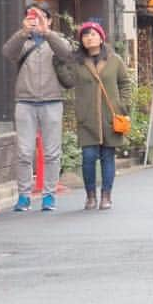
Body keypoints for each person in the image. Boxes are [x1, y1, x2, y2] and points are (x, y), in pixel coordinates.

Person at [2, 3, 73, 212]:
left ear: (50, 19)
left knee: (52, 152)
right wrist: (24, 32)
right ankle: (24, 195)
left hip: (52, 100)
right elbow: (8, 53)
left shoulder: (55, 40)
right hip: (24, 101)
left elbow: (67, 53)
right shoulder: (23, 41)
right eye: (31, 16)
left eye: (41, 16)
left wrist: (47, 32)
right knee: (24, 151)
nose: (36, 20)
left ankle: (49, 195)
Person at [57, 21, 133, 210]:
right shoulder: (77, 62)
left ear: (101, 37)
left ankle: (106, 195)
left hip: (110, 116)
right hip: (87, 117)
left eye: (93, 34)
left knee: (108, 156)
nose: (89, 38)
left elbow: (125, 83)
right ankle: (90, 195)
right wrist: (58, 65)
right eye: (85, 35)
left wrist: (123, 105)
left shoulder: (114, 60)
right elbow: (68, 81)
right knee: (88, 157)